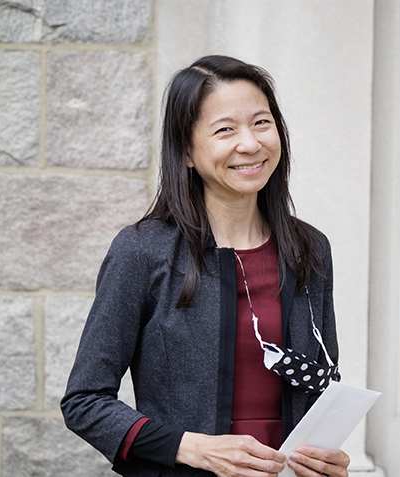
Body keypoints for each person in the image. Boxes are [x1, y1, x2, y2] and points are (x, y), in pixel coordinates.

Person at [61, 55, 350, 477]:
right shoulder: (143, 251)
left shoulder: (310, 249)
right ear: (187, 153)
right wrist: (192, 449)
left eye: (261, 123)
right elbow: (85, 401)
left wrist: (327, 458)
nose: (250, 144)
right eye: (225, 130)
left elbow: (322, 386)